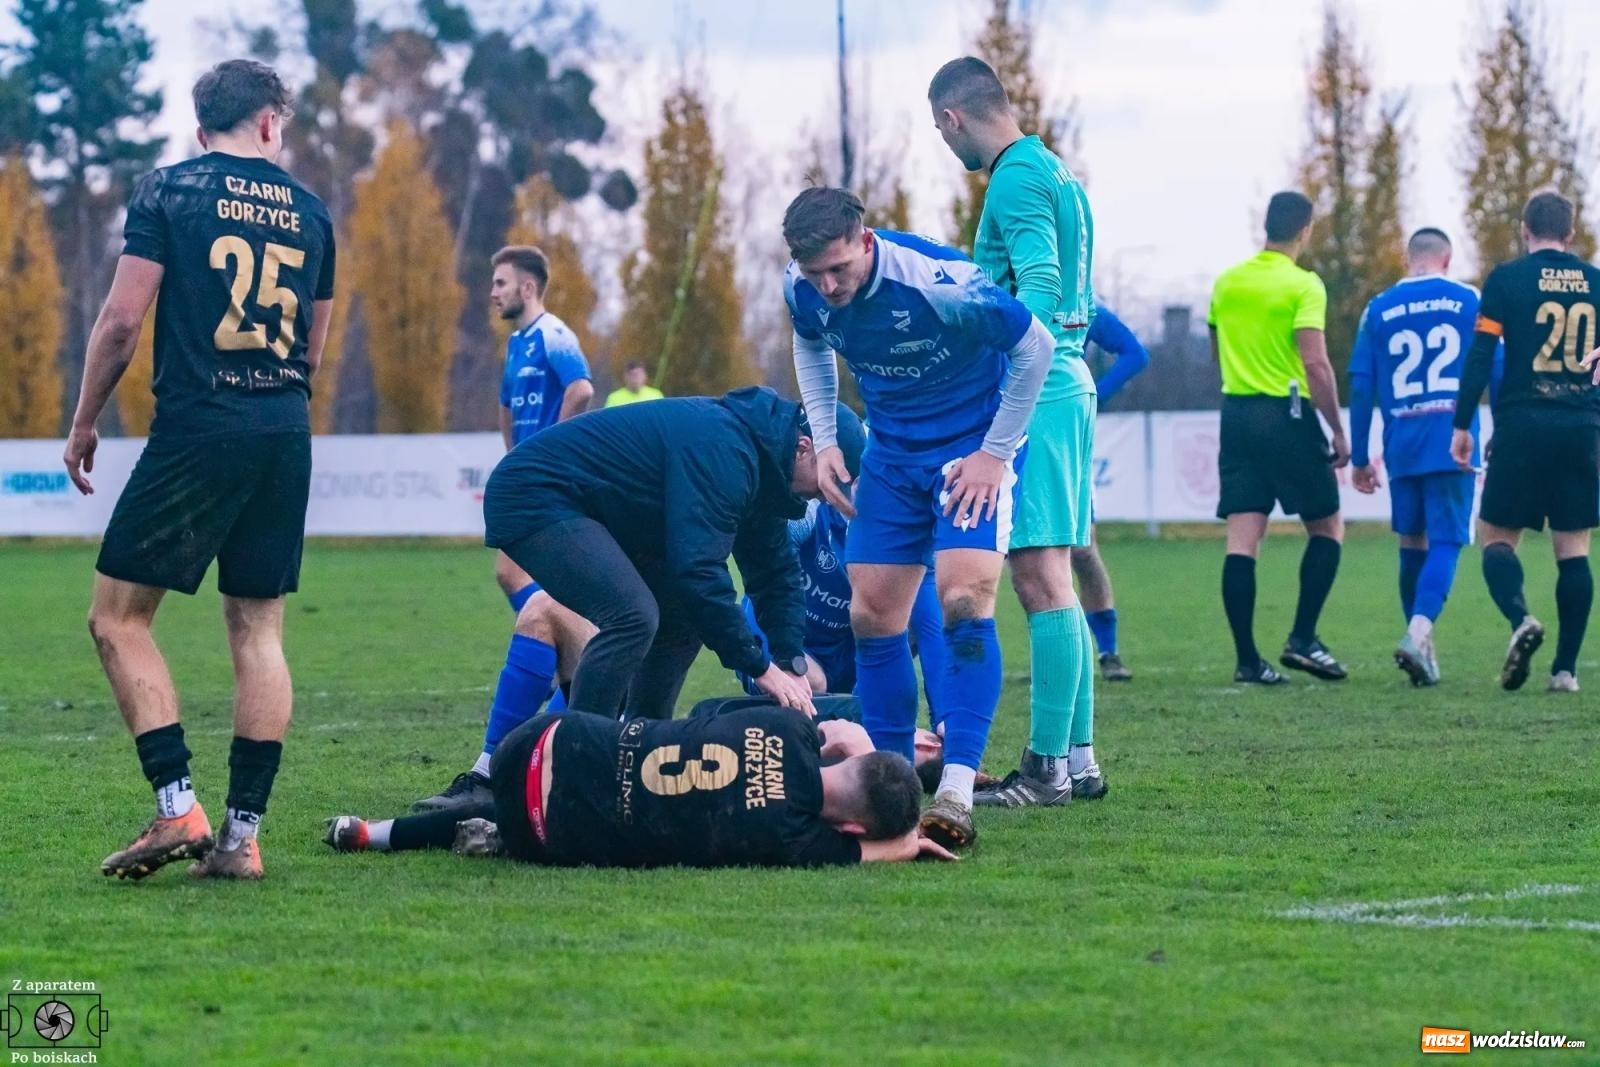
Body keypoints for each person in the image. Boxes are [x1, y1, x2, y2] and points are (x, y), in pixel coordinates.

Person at [62, 60, 336, 881]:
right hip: (284, 430)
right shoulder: (314, 214)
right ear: (265, 123)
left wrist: (83, 420)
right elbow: (312, 353)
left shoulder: (170, 191)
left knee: (118, 617)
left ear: (201, 127)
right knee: (258, 630)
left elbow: (120, 320)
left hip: (198, 426)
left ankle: (178, 803)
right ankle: (240, 838)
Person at [783, 185, 1054, 847]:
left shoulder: (942, 284)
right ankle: (894, 779)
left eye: (839, 268)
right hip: (891, 458)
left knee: (963, 597)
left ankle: (957, 788)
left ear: (866, 243)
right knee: (872, 614)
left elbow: (1035, 347)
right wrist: (823, 442)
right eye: (815, 273)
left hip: (969, 453)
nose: (828, 284)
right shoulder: (805, 290)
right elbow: (810, 346)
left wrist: (993, 454)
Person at [928, 57, 1105, 812]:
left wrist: (992, 355)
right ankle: (1079, 758)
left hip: (1040, 390)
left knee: (1038, 578)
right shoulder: (1055, 171)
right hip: (1068, 382)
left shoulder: (1014, 179)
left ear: (952, 119)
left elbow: (1035, 283)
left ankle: (1044, 770)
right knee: (1055, 575)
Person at [482, 386, 859, 724]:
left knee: (681, 616)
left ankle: (644, 744)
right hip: (535, 494)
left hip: (603, 510)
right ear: (804, 447)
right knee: (633, 617)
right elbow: (698, 571)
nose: (831, 497)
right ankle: (577, 764)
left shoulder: (769, 472)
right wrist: (759, 666)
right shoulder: (727, 451)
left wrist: (790, 662)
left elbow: (776, 576)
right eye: (831, 479)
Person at [326, 705, 956, 867]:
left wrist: (861, 745)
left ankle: (370, 832)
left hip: (541, 739)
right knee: (520, 818)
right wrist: (900, 842)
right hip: (546, 833)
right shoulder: (792, 838)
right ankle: (381, 836)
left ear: (847, 755)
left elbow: (838, 733)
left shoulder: (786, 723)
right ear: (849, 826)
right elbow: (858, 850)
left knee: (578, 761)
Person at [1450, 190, 1600, 693]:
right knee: (1573, 549)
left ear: (1524, 229)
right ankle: (1565, 671)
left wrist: (1461, 424)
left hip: (1521, 425)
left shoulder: (1507, 281)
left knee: (1495, 537)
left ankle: (1521, 619)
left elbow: (1480, 355)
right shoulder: (1597, 285)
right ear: (1572, 234)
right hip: (1581, 426)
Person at [1208, 191, 1349, 686]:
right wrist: (1336, 427)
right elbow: (1314, 361)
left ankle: (1248, 661)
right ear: (1306, 230)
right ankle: (1303, 638)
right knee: (1327, 528)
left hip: (1237, 412)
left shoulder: (1227, 282)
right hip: (1286, 414)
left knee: (1242, 540)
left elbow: (1215, 348)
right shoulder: (1303, 285)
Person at [1349, 228, 1492, 686]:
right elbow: (1498, 366)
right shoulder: (1469, 299)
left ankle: (1422, 653)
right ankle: (1418, 632)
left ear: (1408, 259)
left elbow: (1361, 383)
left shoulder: (1379, 308)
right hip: (1453, 436)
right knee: (1447, 540)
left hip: (1403, 440)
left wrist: (1358, 456)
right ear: (1447, 259)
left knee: (1411, 543)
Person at [489, 245, 594, 616]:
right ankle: (560, 652)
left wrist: (551, 450)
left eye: (502, 283)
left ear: (528, 288)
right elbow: (506, 404)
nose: (493, 292)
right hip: (529, 474)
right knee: (516, 573)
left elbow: (581, 389)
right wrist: (513, 458)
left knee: (514, 573)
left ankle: (563, 646)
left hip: (550, 478)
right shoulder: (517, 343)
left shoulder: (553, 333)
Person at [1074, 303, 1152, 683]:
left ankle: (1108, 650)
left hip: (1064, 438)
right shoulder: (1002, 291)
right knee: (1020, 557)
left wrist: (1094, 395)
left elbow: (1135, 353)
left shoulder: (1080, 302)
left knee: (1083, 549)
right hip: (1003, 433)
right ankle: (1051, 651)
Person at [687, 694, 947, 796]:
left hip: (710, 722)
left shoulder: (863, 713)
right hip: (716, 782)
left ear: (929, 744)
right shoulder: (862, 790)